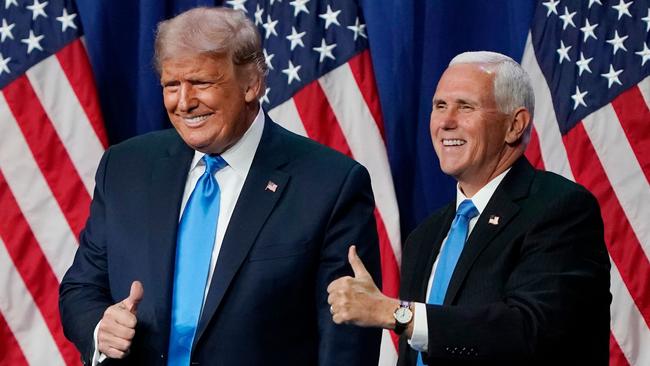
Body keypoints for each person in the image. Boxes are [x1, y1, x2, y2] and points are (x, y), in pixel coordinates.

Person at [59, 7, 382, 366]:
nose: (184, 102)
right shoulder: (125, 168)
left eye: (201, 83)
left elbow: (347, 340)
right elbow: (81, 288)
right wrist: (100, 327)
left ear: (251, 84)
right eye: (171, 85)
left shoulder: (330, 184)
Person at [327, 51, 611, 365]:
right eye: (440, 106)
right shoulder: (425, 237)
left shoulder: (560, 209)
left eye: (465, 107)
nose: (446, 122)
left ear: (514, 125)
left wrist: (392, 312)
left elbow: (531, 331)